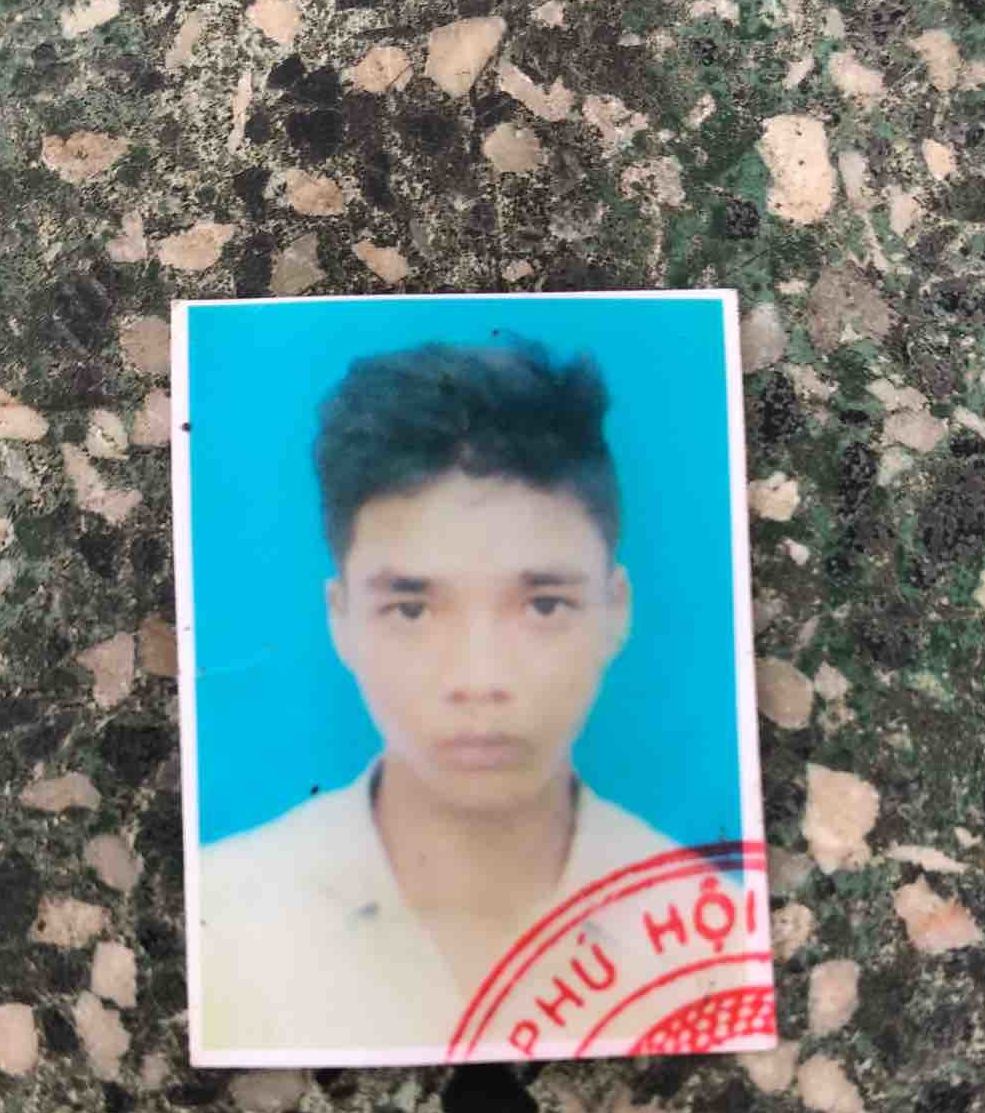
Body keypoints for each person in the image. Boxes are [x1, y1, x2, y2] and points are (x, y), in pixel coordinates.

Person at [198, 339, 682, 1055]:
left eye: (544, 605)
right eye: (412, 610)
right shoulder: (219, 924)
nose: (479, 679)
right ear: (341, 620)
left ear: (616, 611)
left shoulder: (713, 936)